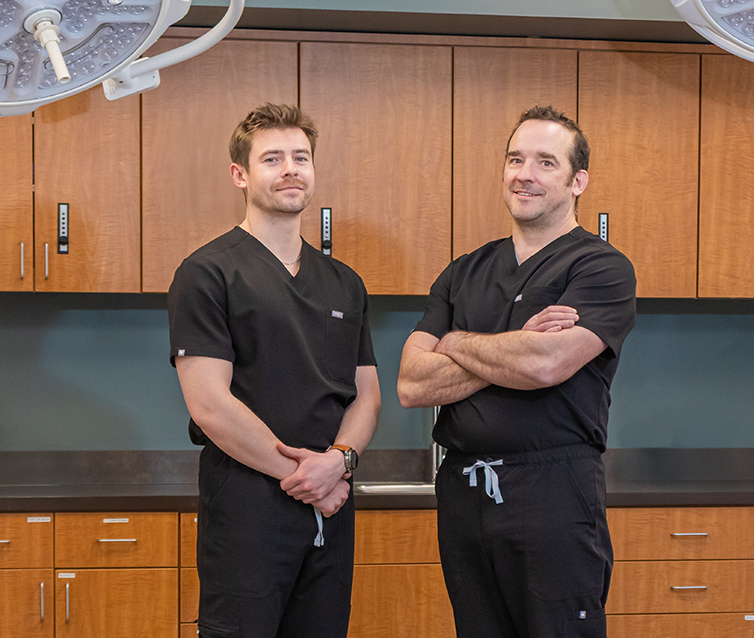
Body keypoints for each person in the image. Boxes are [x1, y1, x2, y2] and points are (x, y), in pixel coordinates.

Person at [397, 105, 636, 638]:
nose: (525, 174)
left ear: (578, 181)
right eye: (515, 159)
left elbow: (546, 364)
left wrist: (455, 343)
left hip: (553, 490)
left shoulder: (600, 267)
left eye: (546, 162)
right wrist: (516, 344)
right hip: (464, 491)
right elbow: (412, 383)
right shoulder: (463, 272)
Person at [167, 103, 380, 638]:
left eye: (301, 158)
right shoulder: (207, 273)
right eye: (272, 159)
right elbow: (210, 405)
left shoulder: (345, 282)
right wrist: (309, 479)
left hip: (332, 499)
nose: (290, 169)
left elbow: (366, 395)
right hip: (249, 502)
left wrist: (339, 461)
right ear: (240, 174)